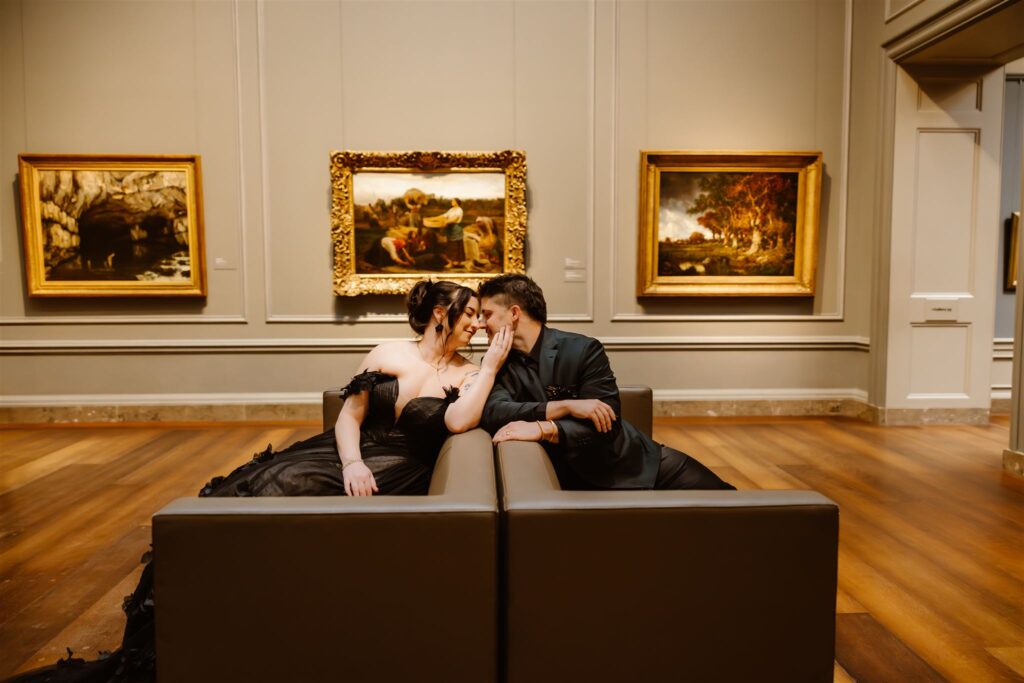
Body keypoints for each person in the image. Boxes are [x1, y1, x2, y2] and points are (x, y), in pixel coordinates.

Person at [6, 279, 513, 683]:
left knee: (289, 491)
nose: (477, 325)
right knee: (257, 484)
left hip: (398, 469)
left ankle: (237, 611)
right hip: (350, 454)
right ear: (441, 313)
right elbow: (348, 417)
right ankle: (182, 618)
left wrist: (489, 367)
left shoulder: (467, 374)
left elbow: (458, 423)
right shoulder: (386, 351)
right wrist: (352, 462)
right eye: (470, 314)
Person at [478, 274, 734, 491]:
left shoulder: (582, 349)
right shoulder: (496, 362)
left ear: (513, 313)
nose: (480, 324)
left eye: (486, 314)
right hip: (575, 482)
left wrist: (546, 429)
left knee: (737, 506)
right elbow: (493, 412)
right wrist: (564, 407)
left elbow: (607, 424)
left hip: (633, 463)